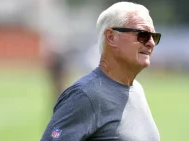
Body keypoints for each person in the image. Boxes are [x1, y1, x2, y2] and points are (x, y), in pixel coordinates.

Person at [40, 1, 161, 141]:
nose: (151, 42)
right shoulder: (85, 96)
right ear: (111, 37)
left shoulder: (137, 90)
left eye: (154, 37)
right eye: (143, 34)